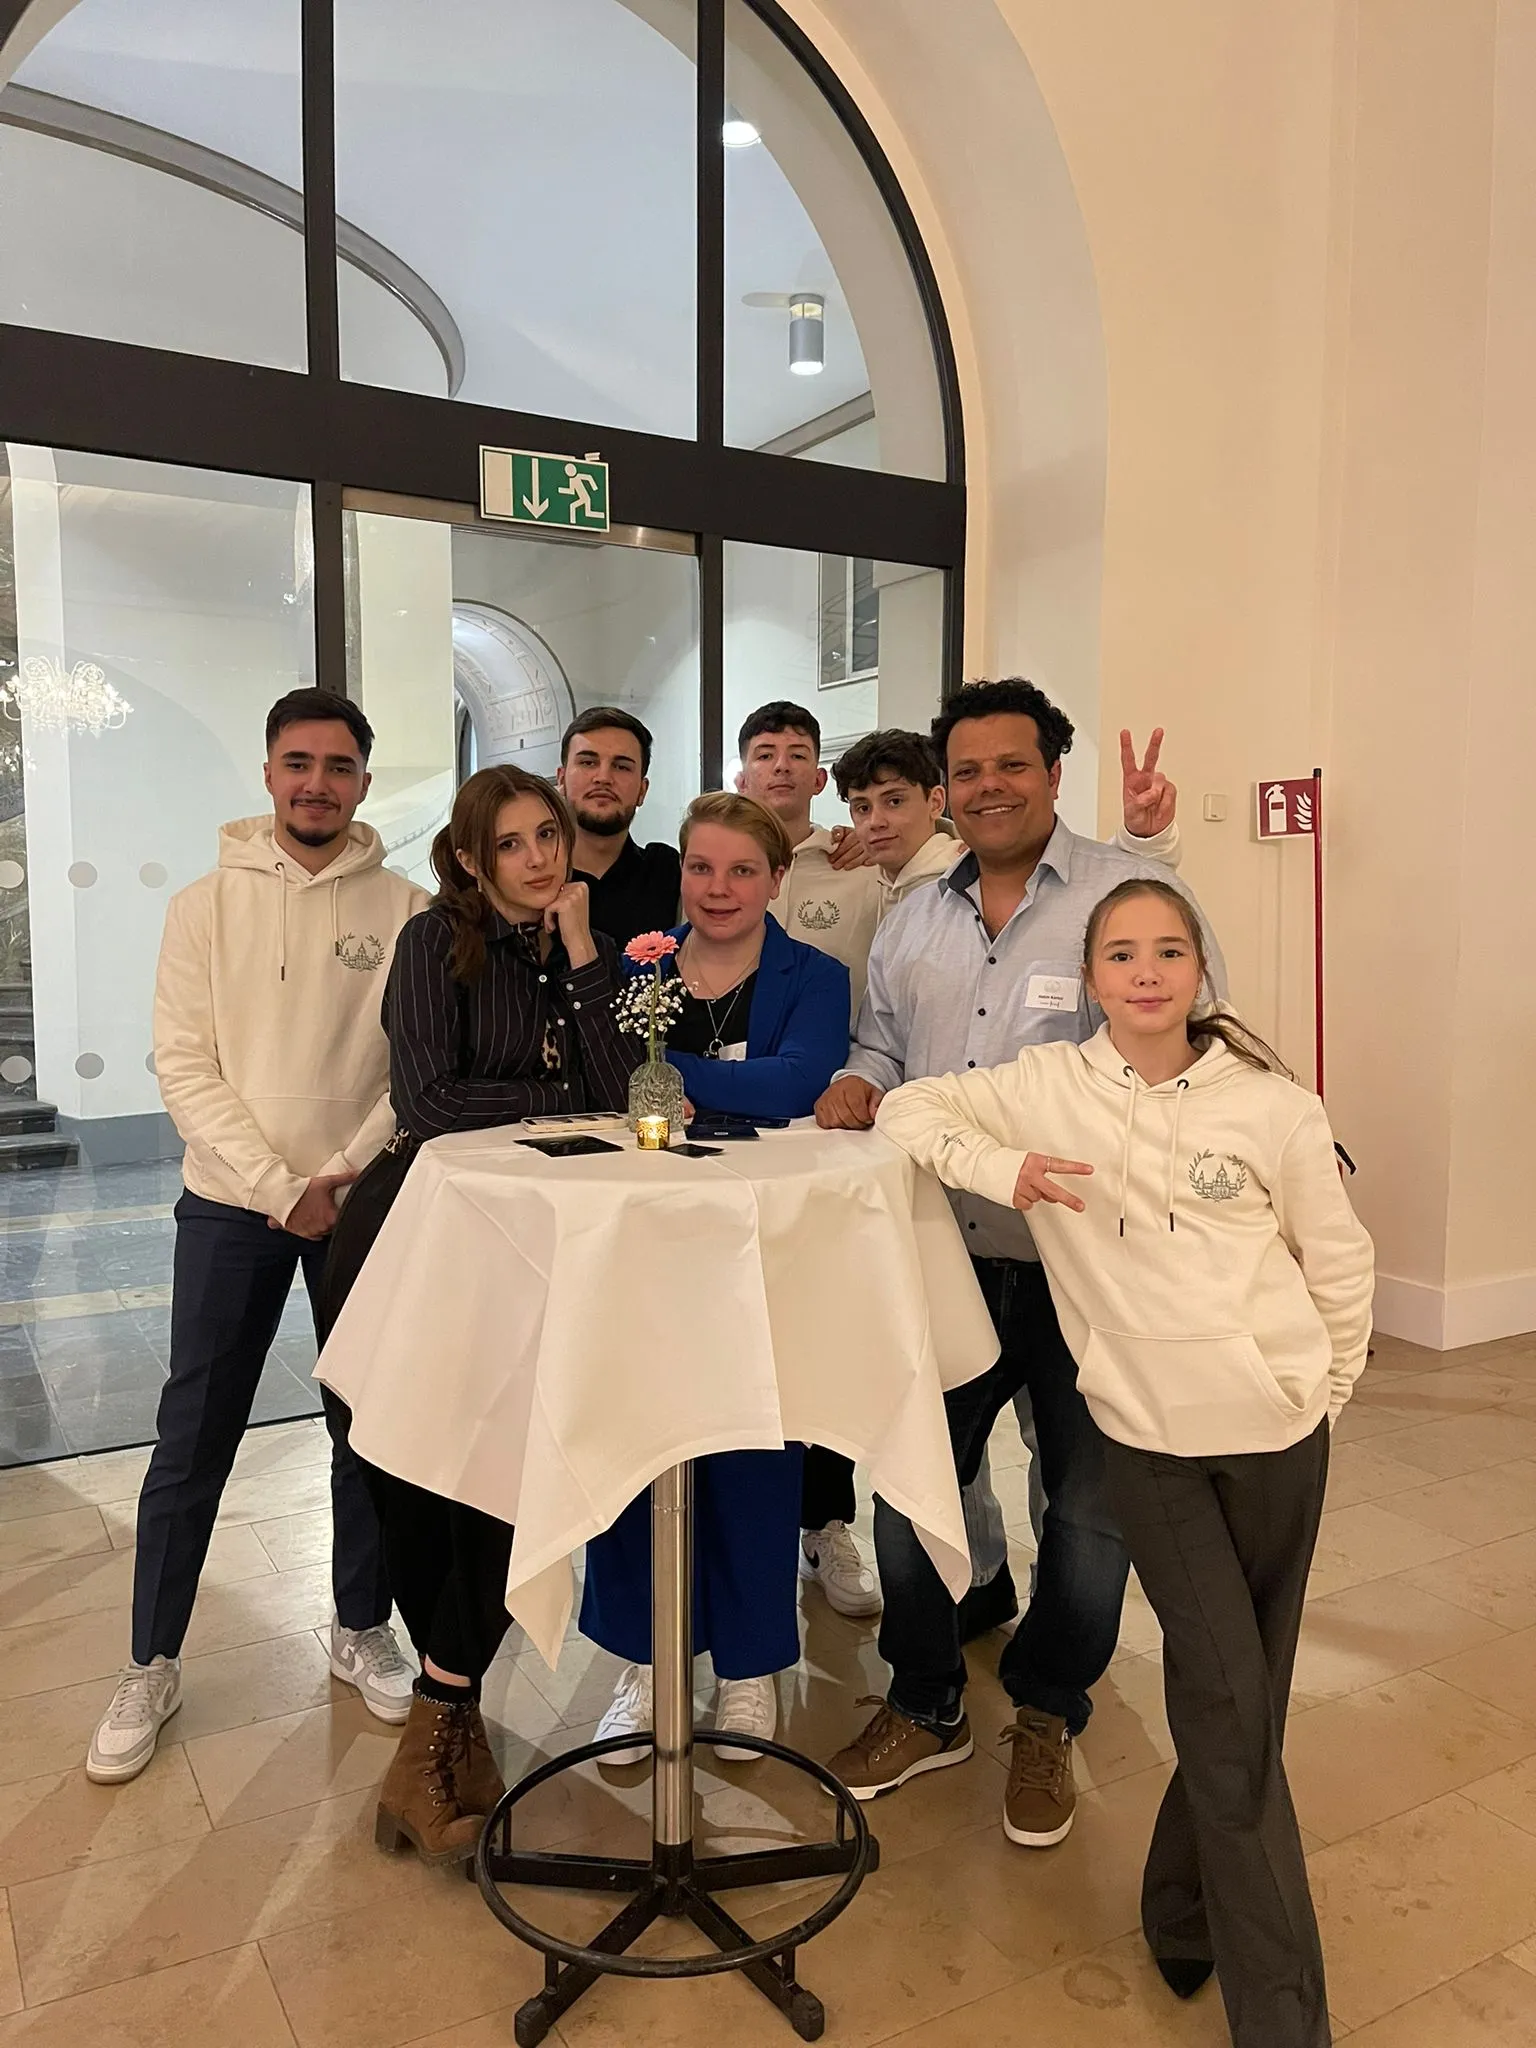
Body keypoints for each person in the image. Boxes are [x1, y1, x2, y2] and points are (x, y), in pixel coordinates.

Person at [876, 877, 1372, 2048]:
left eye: (1169, 951)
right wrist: (1001, 1170)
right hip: (1149, 1442)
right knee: (1227, 1700)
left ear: (1200, 969)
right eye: (1121, 953)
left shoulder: (1274, 1105)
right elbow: (908, 1108)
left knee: (1247, 1696)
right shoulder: (1050, 1083)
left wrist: (1319, 1394)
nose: (1146, 972)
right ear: (1092, 977)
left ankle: (1182, 1910)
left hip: (1279, 1438)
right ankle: (1284, 2015)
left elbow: (1339, 1263)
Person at [817, 678, 1224, 1849]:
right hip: (940, 1248)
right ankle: (925, 1699)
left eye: (1012, 764)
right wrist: (858, 1078)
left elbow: (1194, 1033)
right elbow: (883, 1039)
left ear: (1053, 772)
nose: (988, 786)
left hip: (1087, 1262)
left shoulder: (1123, 894)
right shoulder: (913, 917)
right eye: (968, 769)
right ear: (945, 787)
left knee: (1089, 1508)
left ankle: (1047, 1708)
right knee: (913, 1488)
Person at [86, 689, 430, 1786]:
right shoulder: (203, 907)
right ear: (269, 770)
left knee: (365, 1425)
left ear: (364, 780)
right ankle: (150, 1659)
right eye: (298, 763)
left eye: (339, 765)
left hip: (358, 1201)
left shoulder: (411, 911)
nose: (317, 783)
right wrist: (280, 1188)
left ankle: (360, 1625)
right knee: (194, 1434)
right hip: (231, 1204)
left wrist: (341, 1176)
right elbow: (186, 1066)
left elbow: (414, 1069)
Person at [321, 764, 637, 1868]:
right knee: (416, 1477)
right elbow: (429, 1101)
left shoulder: (583, 949)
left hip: (526, 1252)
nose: (540, 858)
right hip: (414, 1241)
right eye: (511, 843)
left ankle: (442, 1730)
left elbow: (630, 1091)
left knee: (503, 1478)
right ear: (469, 857)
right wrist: (566, 1101)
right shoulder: (434, 943)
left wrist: (585, 953)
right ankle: (443, 1735)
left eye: (548, 834)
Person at [582, 792, 850, 1764]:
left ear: (778, 878)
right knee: (631, 1439)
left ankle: (747, 1665)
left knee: (752, 1444)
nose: (720, 887)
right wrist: (708, 1081)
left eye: (743, 870)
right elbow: (599, 1070)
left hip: (756, 1244)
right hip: (642, 1246)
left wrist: (669, 1074)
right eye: (701, 867)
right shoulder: (635, 968)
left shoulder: (815, 975)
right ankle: (643, 1662)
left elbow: (799, 1080)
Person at [735, 701, 881, 1013]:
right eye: (765, 755)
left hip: (839, 1042)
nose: (781, 766)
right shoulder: (714, 875)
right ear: (742, 781)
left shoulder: (861, 865)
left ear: (819, 780)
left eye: (798, 755)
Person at [559, 706, 681, 945]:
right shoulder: (535, 877)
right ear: (561, 779)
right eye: (588, 762)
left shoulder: (668, 874)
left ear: (642, 791)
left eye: (622, 766)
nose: (603, 778)